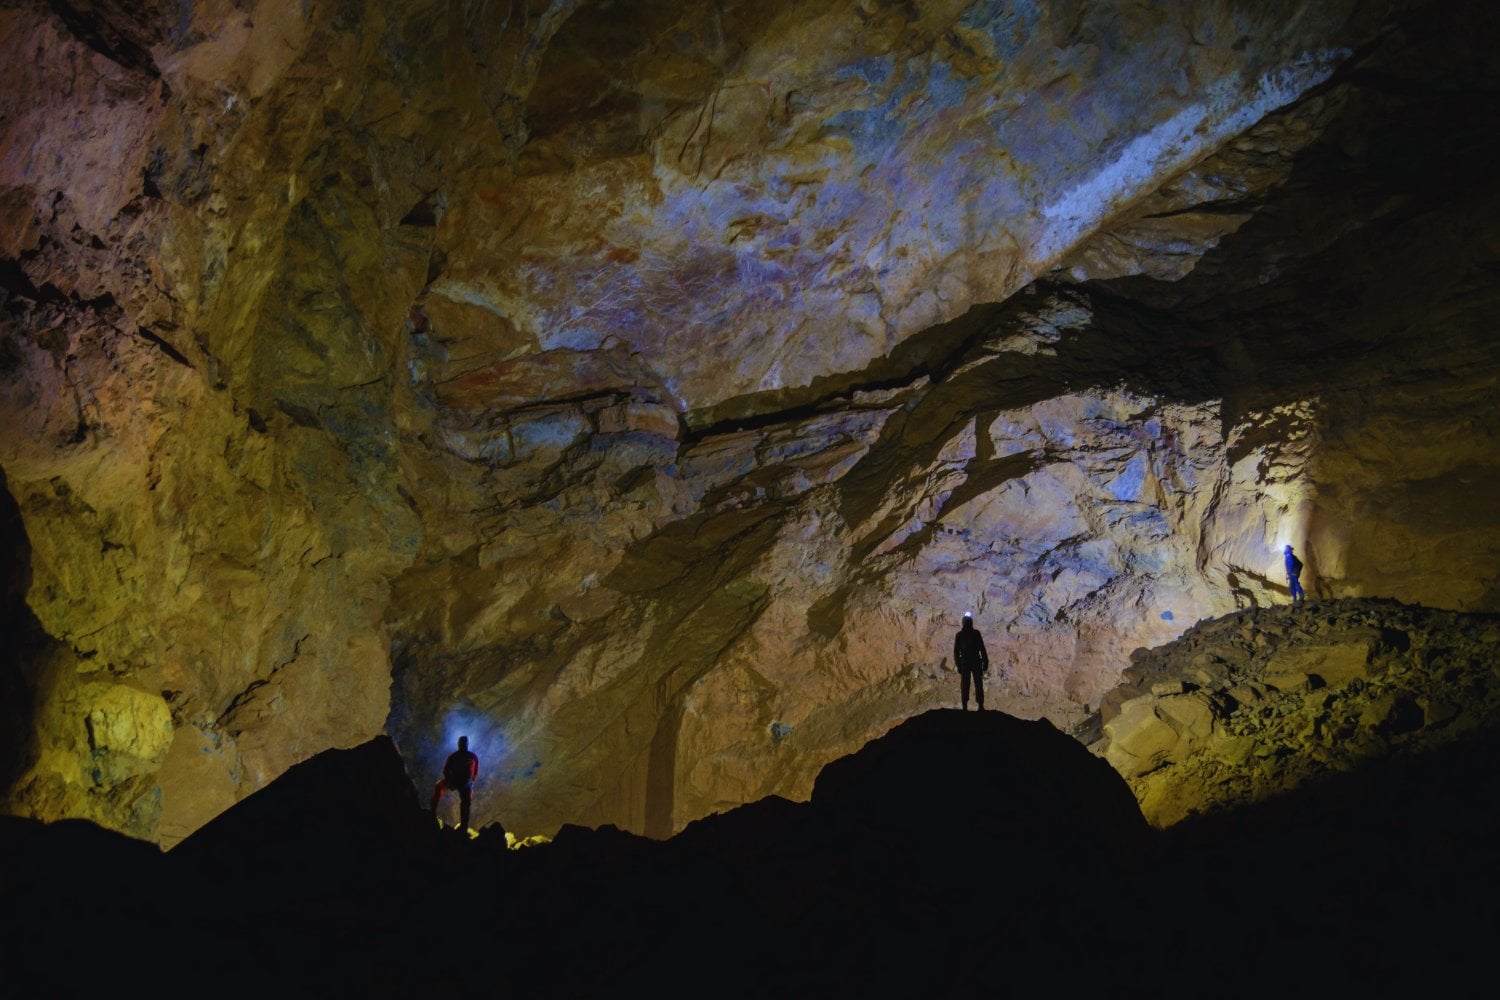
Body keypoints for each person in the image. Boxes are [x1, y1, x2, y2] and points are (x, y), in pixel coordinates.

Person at [431, 735, 479, 830]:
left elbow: (445, 770)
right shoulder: (472, 757)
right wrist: (470, 780)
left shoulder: (455, 756)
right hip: (463, 783)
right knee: (466, 801)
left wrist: (450, 780)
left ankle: (432, 811)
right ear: (467, 744)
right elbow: (476, 772)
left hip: (459, 782)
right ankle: (464, 826)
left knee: (439, 786)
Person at [953, 612, 990, 711]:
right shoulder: (974, 634)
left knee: (969, 684)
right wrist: (985, 661)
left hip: (967, 661)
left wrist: (958, 664)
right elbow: (982, 648)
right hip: (973, 661)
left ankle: (968, 706)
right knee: (974, 683)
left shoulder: (961, 635)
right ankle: (976, 706)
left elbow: (956, 651)